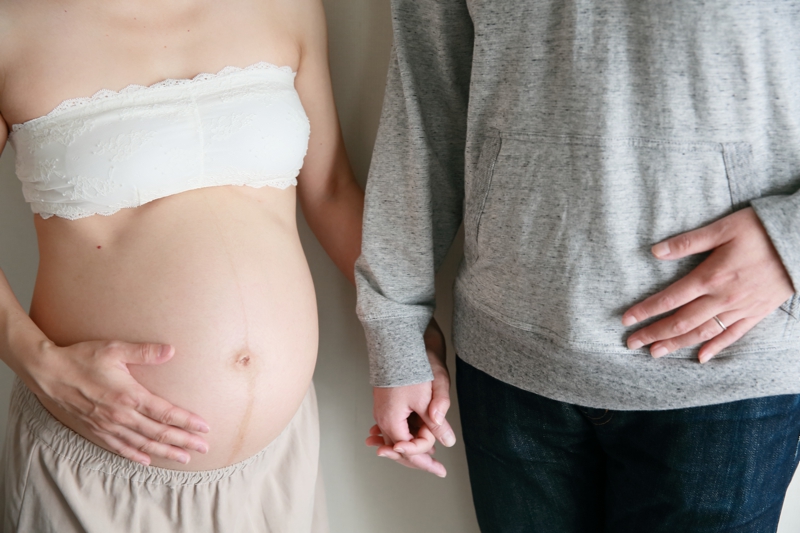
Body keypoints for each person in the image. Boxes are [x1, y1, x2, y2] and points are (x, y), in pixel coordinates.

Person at [358, 1, 800, 531]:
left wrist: (792, 241)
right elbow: (426, 100)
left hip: (730, 374)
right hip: (509, 365)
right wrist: (395, 330)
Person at [0, 0, 364, 530]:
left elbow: (331, 190)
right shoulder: (11, 25)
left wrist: (404, 328)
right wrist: (39, 366)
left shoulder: (287, 7)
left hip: (275, 471)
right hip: (97, 473)